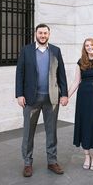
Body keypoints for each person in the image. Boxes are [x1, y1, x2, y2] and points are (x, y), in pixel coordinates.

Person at [16, 23, 68, 177]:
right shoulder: (26, 51)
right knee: (28, 132)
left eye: (45, 33)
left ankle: (52, 161)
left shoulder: (56, 51)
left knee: (51, 131)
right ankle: (27, 163)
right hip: (31, 99)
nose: (43, 36)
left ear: (49, 35)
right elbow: (20, 73)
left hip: (51, 98)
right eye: (40, 33)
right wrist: (19, 94)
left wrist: (64, 94)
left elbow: (61, 74)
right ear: (35, 34)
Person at [68, 38, 93, 171]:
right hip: (83, 99)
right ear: (84, 48)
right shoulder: (81, 62)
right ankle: (86, 156)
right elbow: (76, 81)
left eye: (91, 45)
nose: (89, 47)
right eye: (87, 45)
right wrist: (66, 96)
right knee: (84, 125)